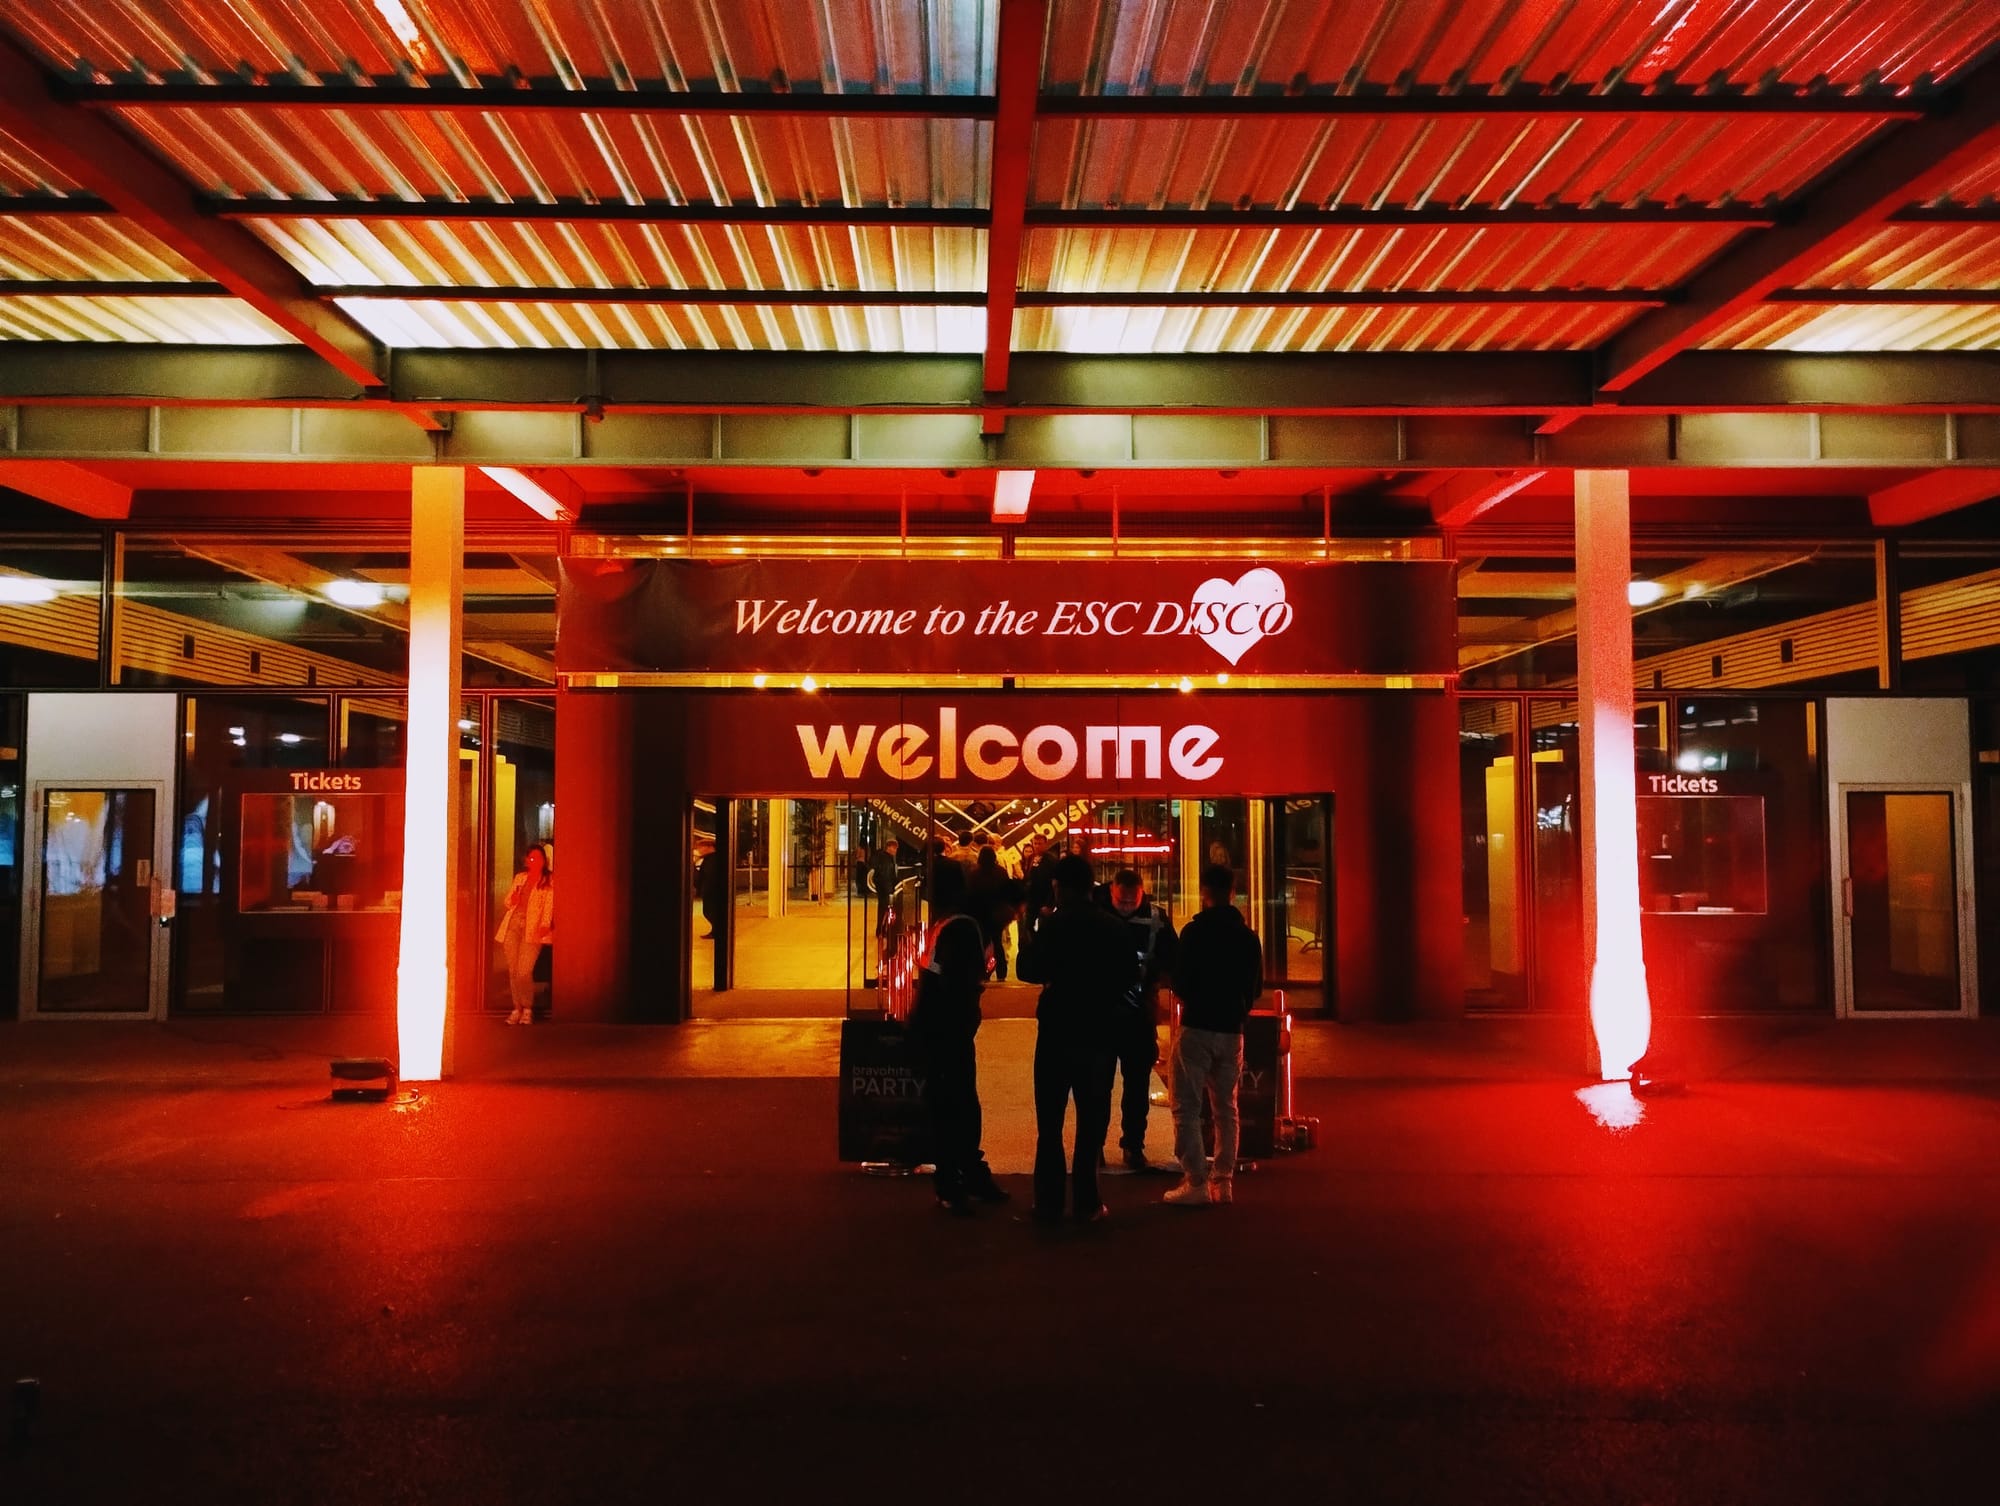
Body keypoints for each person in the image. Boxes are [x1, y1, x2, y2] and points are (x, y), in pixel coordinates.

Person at [1016, 854, 1139, 1225]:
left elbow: (1029, 969)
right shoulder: (1113, 927)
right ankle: (1087, 1201)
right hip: (1098, 1030)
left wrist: (1028, 936)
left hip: (1056, 1029)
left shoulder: (1053, 925)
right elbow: (1129, 976)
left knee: (1050, 1121)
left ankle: (1049, 1201)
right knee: (1092, 1119)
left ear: (1058, 887)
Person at [1164, 863, 1264, 1206]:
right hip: (1231, 1030)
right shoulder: (1248, 938)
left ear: (1204, 892)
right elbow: (1255, 988)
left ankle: (1195, 1181)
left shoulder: (1193, 933)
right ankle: (1224, 1180)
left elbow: (1179, 980)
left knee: (1187, 1107)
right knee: (1227, 1107)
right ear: (1233, 893)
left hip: (1197, 1026)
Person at [906, 912, 1008, 1215]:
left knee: (956, 1102)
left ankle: (962, 1175)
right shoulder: (966, 929)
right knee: (955, 1103)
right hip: (946, 1028)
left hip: (940, 1025)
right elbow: (956, 983)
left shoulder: (958, 925)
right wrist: (968, 1018)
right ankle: (954, 1180)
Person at [1101, 867, 1179, 1171]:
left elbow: (1174, 959)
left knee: (1134, 1085)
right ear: (1112, 892)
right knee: (1101, 1085)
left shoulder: (1155, 920)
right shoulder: (1102, 917)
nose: (1125, 907)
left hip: (1135, 1013)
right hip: (1112, 1013)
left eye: (1130, 902)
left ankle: (1132, 1144)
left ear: (1142, 894)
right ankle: (1104, 1144)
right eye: (1121, 902)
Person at [495, 842, 554, 1026]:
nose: (534, 861)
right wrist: (513, 898)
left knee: (523, 971)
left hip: (532, 928)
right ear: (526, 860)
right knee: (513, 970)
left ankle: (527, 1008)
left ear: (544, 861)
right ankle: (517, 1008)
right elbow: (507, 902)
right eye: (531, 858)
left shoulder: (548, 881)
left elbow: (549, 906)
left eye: (538, 858)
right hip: (513, 925)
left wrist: (545, 925)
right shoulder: (520, 878)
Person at [966, 843, 1024, 981]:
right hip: (997, 912)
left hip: (979, 913)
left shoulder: (975, 873)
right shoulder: (1000, 872)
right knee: (997, 942)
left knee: (983, 943)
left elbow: (971, 893)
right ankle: (1001, 972)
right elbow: (1007, 891)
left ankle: (984, 972)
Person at [694, 840, 724, 939]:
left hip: (711, 892)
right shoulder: (709, 859)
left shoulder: (712, 860)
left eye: (701, 847)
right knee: (708, 911)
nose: (699, 850)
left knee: (709, 911)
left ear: (709, 847)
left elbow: (708, 877)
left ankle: (717, 931)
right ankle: (715, 931)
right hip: (709, 891)